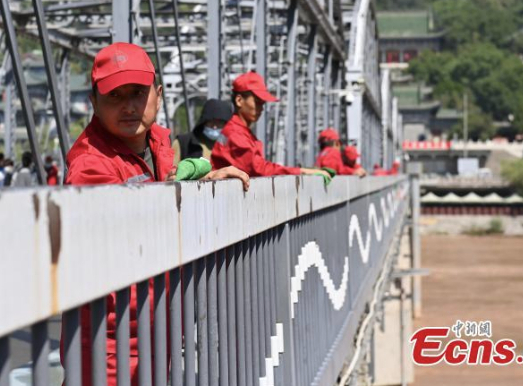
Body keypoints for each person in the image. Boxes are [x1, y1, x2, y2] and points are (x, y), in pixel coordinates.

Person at [64, 42, 249, 386]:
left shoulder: (158, 145)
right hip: (112, 344)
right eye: (115, 96)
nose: (129, 106)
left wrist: (201, 181)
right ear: (94, 103)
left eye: (138, 93)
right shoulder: (90, 164)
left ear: (158, 95)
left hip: (151, 331)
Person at [211, 71, 331, 179]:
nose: (261, 109)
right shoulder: (235, 133)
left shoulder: (236, 129)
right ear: (239, 100)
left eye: (262, 104)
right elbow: (259, 170)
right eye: (257, 103)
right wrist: (302, 171)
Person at [172, 98, 232, 164]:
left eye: (219, 123)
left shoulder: (234, 146)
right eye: (211, 122)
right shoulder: (183, 143)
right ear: (204, 121)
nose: (215, 127)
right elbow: (170, 170)